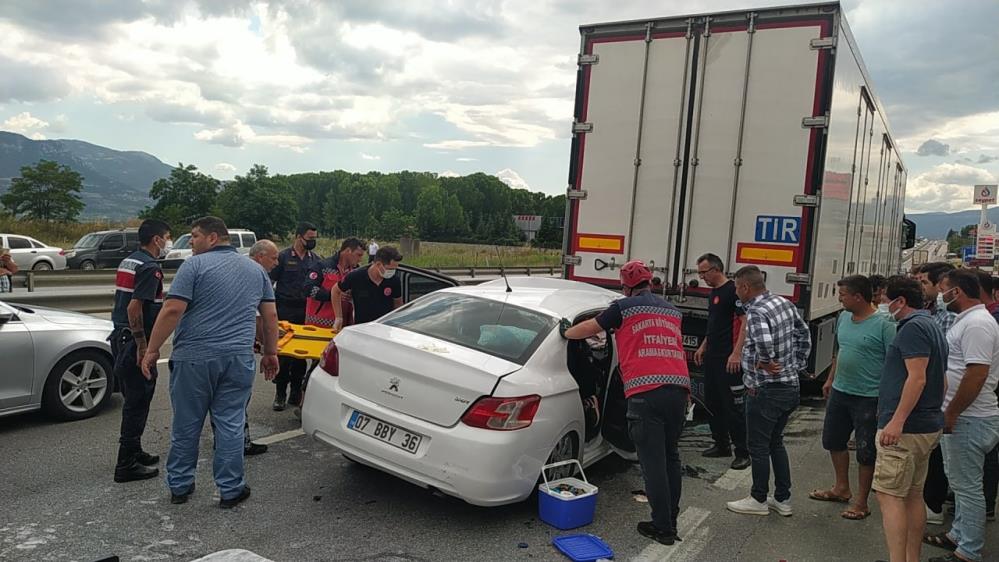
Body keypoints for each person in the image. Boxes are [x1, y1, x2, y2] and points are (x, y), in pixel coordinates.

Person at [140, 216, 279, 509]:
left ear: (213, 238)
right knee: (230, 423)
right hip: (238, 358)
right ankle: (230, 489)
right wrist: (270, 353)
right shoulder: (256, 270)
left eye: (194, 236)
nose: (191, 242)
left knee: (186, 425)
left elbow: (172, 310)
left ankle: (180, 486)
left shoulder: (193, 266)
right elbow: (269, 317)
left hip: (194, 359)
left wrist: (152, 350)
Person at [562, 260, 690, 545]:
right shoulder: (672, 311)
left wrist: (566, 332)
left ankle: (663, 529)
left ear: (626, 285)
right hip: (679, 391)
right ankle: (671, 519)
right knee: (670, 457)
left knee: (653, 463)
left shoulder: (623, 307)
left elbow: (589, 329)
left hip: (646, 393)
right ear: (651, 282)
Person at [922, 270, 999, 562]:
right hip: (965, 417)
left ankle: (968, 551)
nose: (941, 296)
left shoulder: (977, 324)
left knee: (967, 488)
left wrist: (952, 411)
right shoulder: (968, 321)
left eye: (945, 289)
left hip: (969, 418)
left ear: (959, 292)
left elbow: (977, 373)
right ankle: (958, 534)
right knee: (960, 481)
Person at [726, 265, 811, 517]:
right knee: (776, 442)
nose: (737, 294)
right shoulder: (783, 303)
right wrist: (797, 364)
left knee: (759, 446)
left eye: (737, 289)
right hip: (790, 385)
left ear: (745, 287)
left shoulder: (756, 311)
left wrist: (764, 360)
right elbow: (803, 334)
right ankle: (782, 498)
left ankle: (758, 498)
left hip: (765, 390)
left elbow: (762, 340)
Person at [810, 275, 896, 521]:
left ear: (858, 296)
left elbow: (894, 363)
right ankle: (841, 488)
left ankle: (861, 501)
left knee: (866, 451)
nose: (839, 299)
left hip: (869, 396)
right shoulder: (844, 317)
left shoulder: (885, 323)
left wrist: (887, 398)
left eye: (843, 295)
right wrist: (830, 379)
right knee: (833, 441)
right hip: (841, 390)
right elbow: (840, 351)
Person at [874, 275, 947, 562]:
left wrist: (897, 421)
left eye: (884, 299)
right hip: (926, 424)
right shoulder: (931, 325)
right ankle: (910, 558)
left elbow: (916, 379)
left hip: (906, 429)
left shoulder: (911, 330)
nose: (882, 305)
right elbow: (941, 380)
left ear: (900, 301)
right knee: (913, 494)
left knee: (889, 495)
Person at [110, 219, 171, 483]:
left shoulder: (130, 260)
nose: (168, 242)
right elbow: (135, 308)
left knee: (135, 398)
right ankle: (126, 464)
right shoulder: (150, 268)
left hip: (121, 337)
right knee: (137, 401)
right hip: (134, 341)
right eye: (167, 237)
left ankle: (135, 451)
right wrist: (144, 347)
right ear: (156, 239)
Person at [692, 253, 749, 470]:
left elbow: (745, 323)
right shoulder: (713, 293)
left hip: (729, 359)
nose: (702, 277)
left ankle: (742, 451)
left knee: (732, 406)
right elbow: (714, 324)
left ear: (716, 269)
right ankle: (721, 444)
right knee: (713, 402)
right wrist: (703, 346)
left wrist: (737, 353)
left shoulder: (732, 292)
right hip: (712, 357)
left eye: (704, 272)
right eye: (699, 273)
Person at [917, 262, 958, 526]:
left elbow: (939, 360)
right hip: (940, 397)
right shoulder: (935, 313)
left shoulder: (952, 318)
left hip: (944, 399)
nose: (921, 287)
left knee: (939, 456)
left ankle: (934, 505)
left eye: (925, 282)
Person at [269, 222, 321, 411]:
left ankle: (295, 393)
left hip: (304, 312)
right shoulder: (282, 257)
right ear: (299, 237)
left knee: (301, 356)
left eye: (315, 239)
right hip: (284, 310)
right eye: (310, 238)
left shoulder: (315, 260)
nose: (312, 242)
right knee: (283, 355)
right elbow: (270, 281)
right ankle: (280, 393)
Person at [242, 240, 281, 456]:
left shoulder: (236, 271)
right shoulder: (258, 275)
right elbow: (265, 317)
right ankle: (241, 442)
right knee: (236, 400)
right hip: (239, 348)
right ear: (260, 256)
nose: (276, 263)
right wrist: (269, 349)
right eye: (273, 258)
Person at [332, 246, 403, 330]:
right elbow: (335, 291)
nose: (392, 272)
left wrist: (398, 324)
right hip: (361, 328)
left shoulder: (394, 280)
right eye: (390, 269)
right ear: (378, 264)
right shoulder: (356, 276)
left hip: (385, 329)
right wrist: (338, 317)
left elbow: (398, 304)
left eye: (395, 269)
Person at [304, 238, 365, 328]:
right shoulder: (322, 266)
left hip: (343, 326)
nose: (360, 259)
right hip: (318, 325)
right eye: (358, 255)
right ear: (348, 251)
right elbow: (308, 289)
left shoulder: (355, 271)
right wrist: (333, 295)